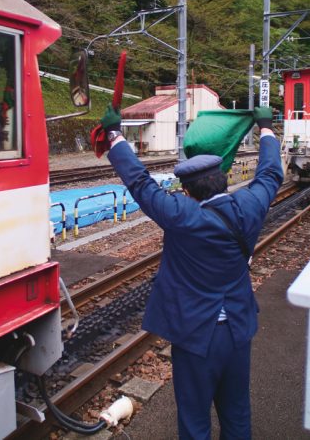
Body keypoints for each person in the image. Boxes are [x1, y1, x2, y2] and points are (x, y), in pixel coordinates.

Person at [101, 105, 284, 439]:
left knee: (194, 421)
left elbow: (140, 183)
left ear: (187, 190)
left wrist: (114, 135)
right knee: (237, 415)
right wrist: (266, 128)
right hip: (238, 332)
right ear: (224, 178)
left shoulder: (181, 215)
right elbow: (270, 174)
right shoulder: (249, 205)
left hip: (196, 336)